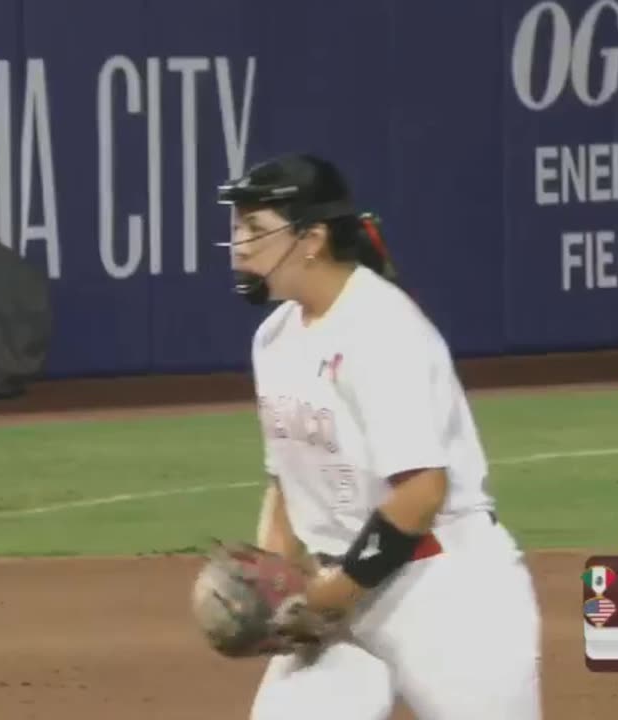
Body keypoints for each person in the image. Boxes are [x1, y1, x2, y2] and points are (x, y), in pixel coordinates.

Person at [214, 152, 543, 719]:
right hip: (338, 595)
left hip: (445, 592)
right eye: (236, 226)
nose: (239, 244)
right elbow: (286, 483)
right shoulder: (274, 338)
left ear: (311, 238)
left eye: (255, 228)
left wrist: (326, 598)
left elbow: (420, 493)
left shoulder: (382, 329)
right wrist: (274, 577)